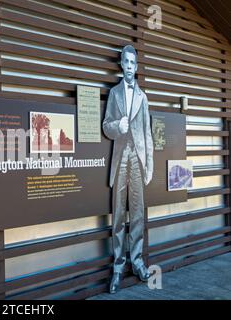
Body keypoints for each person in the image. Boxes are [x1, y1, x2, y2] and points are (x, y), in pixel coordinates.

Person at [102, 45, 154, 294]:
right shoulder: (114, 94)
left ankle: (138, 262)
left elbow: (147, 133)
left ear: (137, 66)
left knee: (138, 214)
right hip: (120, 158)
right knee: (119, 215)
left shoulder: (143, 97)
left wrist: (149, 164)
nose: (131, 66)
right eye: (127, 62)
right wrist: (117, 126)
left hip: (137, 160)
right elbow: (106, 126)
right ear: (122, 65)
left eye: (134, 62)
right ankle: (118, 267)